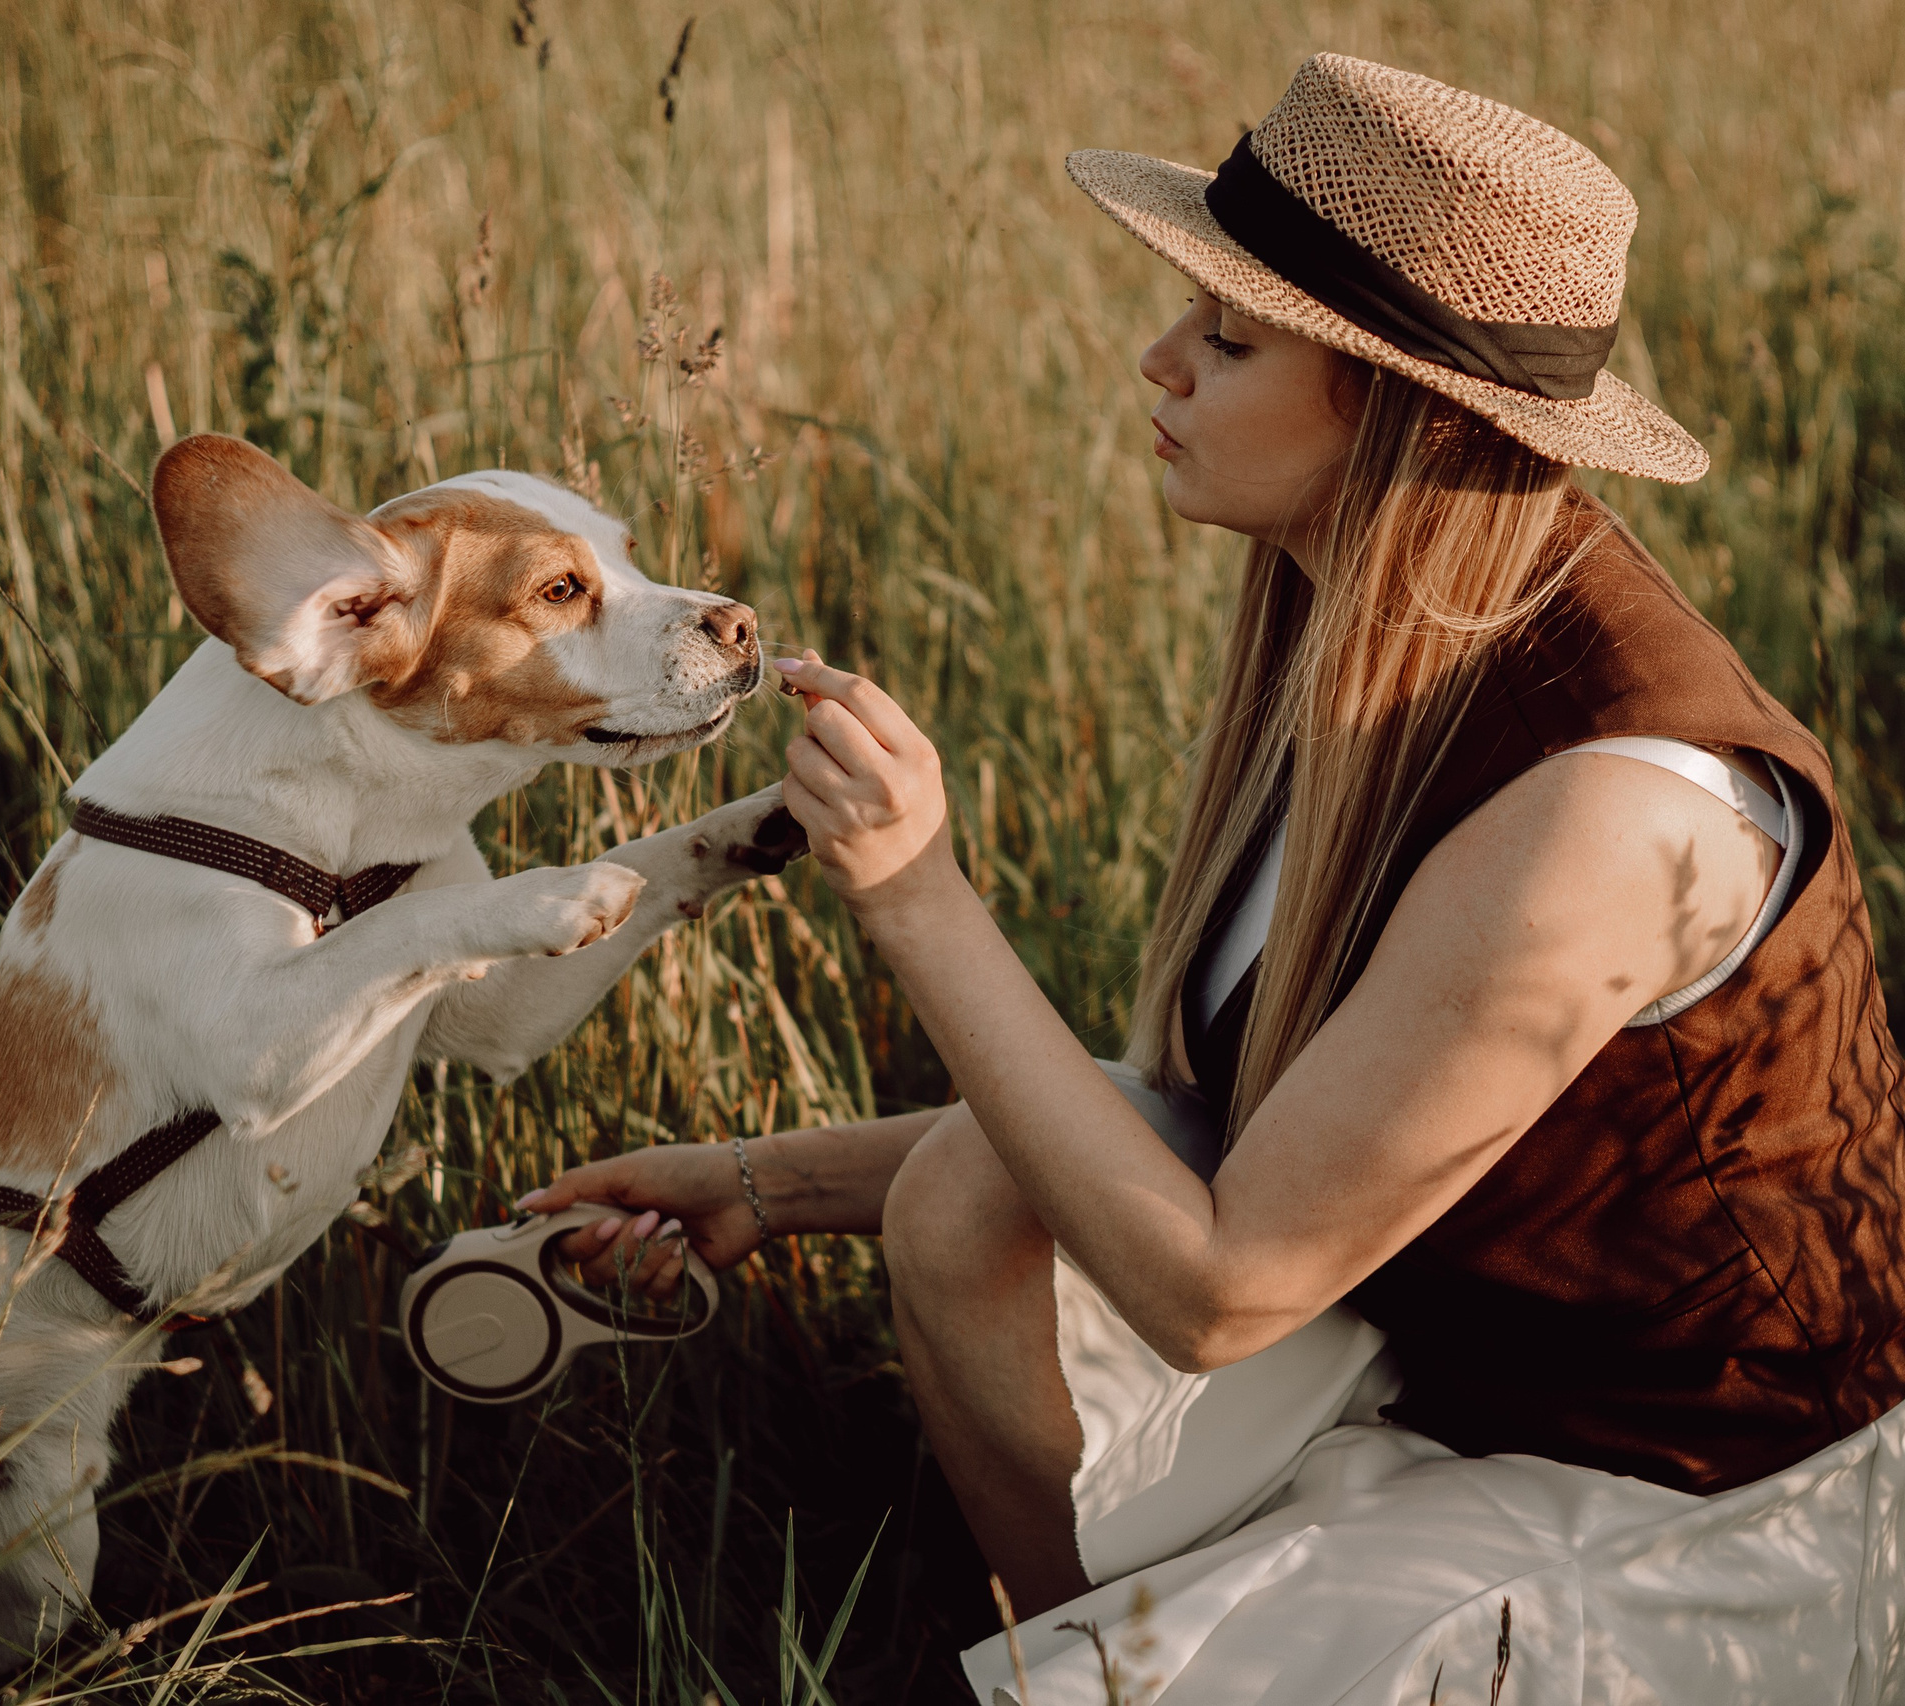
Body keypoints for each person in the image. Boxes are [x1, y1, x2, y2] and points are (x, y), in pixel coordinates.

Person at [522, 54, 1905, 1704]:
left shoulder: (1607, 813)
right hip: (1460, 1348)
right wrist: (755, 1184)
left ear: (1400, 409)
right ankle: (1107, 1639)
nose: (1156, 360)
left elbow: (1222, 1286)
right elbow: (1237, 1121)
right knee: (969, 1195)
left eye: (1229, 339)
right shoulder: (1382, 625)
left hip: (1700, 1498)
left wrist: (916, 893)